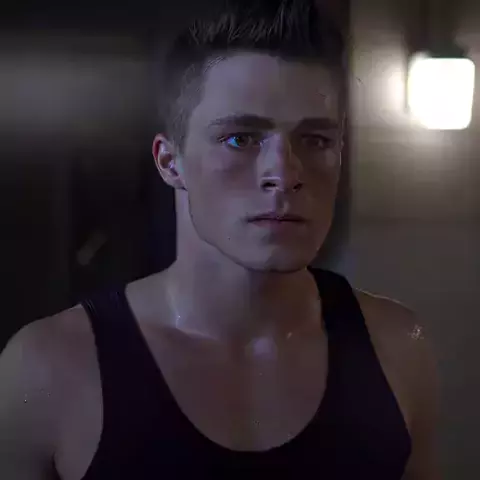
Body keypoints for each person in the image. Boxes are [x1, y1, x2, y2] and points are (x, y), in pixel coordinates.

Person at [0, 0, 441, 478]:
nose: (284, 174)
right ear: (170, 162)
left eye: (315, 140)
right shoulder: (49, 369)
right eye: (241, 138)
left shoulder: (396, 346)